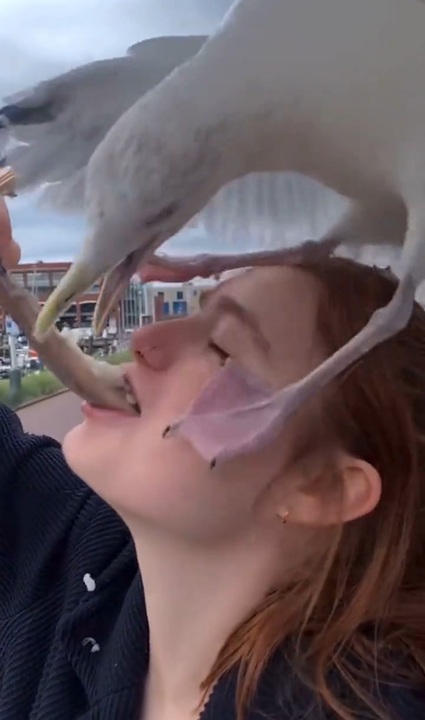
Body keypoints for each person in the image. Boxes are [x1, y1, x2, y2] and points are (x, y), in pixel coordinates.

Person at [0, 195, 424, 720]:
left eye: (222, 349)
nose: (145, 340)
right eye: (195, 313)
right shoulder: (76, 557)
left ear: (322, 487)